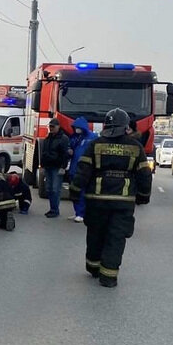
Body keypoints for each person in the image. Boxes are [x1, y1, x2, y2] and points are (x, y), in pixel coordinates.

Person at [70, 108, 152, 288]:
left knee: (95, 233)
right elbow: (144, 174)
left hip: (96, 199)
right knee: (116, 237)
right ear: (125, 127)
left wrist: (75, 190)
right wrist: (144, 195)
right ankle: (109, 277)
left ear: (106, 125)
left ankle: (93, 267)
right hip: (123, 202)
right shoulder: (135, 147)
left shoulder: (95, 144)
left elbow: (83, 170)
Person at [67, 116, 97, 223]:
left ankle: (81, 213)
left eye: (78, 127)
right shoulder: (75, 138)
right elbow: (69, 148)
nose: (76, 129)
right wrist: (69, 151)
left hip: (84, 170)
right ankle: (77, 212)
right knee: (74, 191)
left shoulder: (92, 137)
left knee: (82, 192)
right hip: (74, 168)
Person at [40, 118, 69, 218]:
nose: (51, 128)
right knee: (49, 189)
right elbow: (43, 153)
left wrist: (63, 167)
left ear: (58, 127)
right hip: (48, 167)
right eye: (50, 126)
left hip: (57, 167)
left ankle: (55, 210)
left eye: (53, 126)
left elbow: (65, 154)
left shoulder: (63, 139)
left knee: (55, 189)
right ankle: (52, 209)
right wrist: (42, 166)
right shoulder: (48, 138)